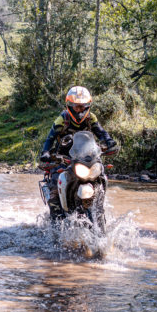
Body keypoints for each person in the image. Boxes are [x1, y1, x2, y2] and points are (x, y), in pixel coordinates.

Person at [39, 86, 117, 220]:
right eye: (76, 107)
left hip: (86, 157)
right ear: (70, 105)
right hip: (63, 158)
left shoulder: (91, 118)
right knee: (55, 187)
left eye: (82, 106)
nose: (79, 110)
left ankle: (99, 209)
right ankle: (56, 225)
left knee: (101, 175)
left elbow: (101, 132)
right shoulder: (62, 119)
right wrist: (46, 152)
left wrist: (108, 141)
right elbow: (50, 138)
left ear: (87, 106)